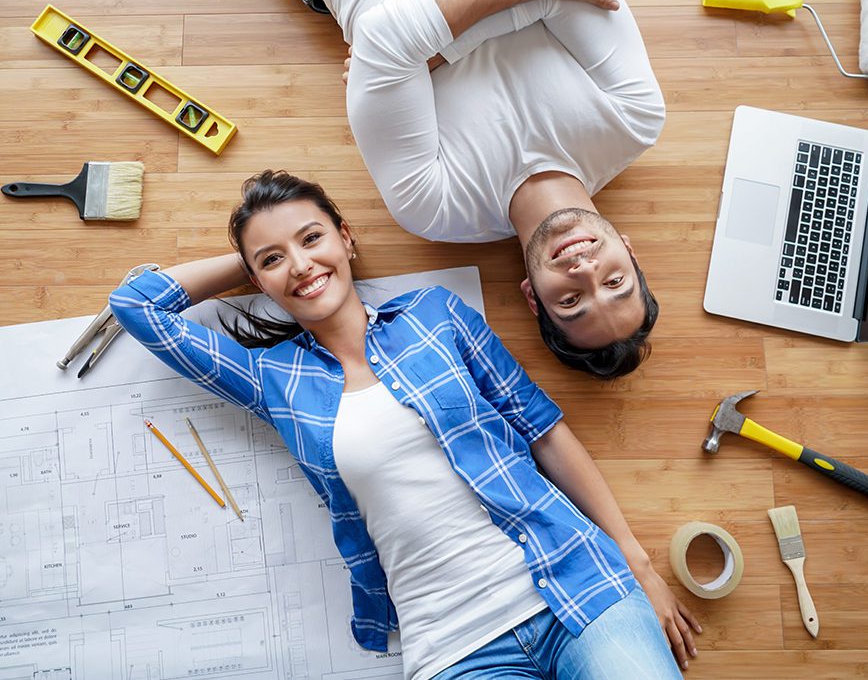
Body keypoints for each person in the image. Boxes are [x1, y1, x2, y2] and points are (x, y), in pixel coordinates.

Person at [131, 0, 666, 377]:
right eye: (615, 281)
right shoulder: (634, 121)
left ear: (532, 294)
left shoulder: (436, 211)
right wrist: (422, 58)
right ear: (630, 253)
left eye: (570, 301)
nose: (585, 272)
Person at [109, 170, 699, 679]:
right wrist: (249, 263)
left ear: (346, 237)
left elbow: (544, 431)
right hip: (454, 646)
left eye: (311, 238)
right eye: (273, 259)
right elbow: (138, 305)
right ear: (257, 279)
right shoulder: (273, 379)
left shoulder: (436, 314)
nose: (300, 264)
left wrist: (636, 561)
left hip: (578, 583)